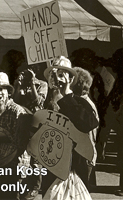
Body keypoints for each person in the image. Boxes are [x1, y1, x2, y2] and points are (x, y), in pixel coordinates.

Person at [42, 56, 99, 199]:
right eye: (53, 74)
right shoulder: (48, 104)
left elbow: (89, 123)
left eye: (61, 74)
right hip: (51, 167)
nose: (56, 79)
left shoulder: (79, 102)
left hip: (74, 168)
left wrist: (65, 95)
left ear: (70, 78)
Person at [13, 68, 48, 199]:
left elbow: (38, 101)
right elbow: (15, 101)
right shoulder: (21, 84)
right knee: (22, 155)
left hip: (36, 124)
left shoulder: (42, 84)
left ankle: (35, 186)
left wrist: (32, 82)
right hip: (23, 123)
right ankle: (22, 183)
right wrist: (18, 85)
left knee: (36, 159)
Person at [71, 66, 99, 189]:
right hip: (86, 155)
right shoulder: (84, 102)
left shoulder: (83, 105)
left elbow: (89, 135)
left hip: (84, 156)